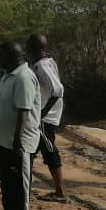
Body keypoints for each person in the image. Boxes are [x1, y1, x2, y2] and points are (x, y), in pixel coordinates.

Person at [0, 41, 41, 210]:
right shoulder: (7, 76)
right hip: (3, 140)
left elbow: (23, 112)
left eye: (1, 55)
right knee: (7, 181)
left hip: (18, 142)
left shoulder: (23, 78)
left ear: (12, 57)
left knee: (20, 182)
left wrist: (17, 140)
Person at [27, 33, 68, 201]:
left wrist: (42, 113)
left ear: (34, 48)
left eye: (28, 46)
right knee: (28, 150)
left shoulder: (42, 65)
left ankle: (61, 192)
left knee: (49, 151)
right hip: (40, 115)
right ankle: (23, 184)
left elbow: (58, 90)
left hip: (44, 118)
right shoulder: (45, 61)